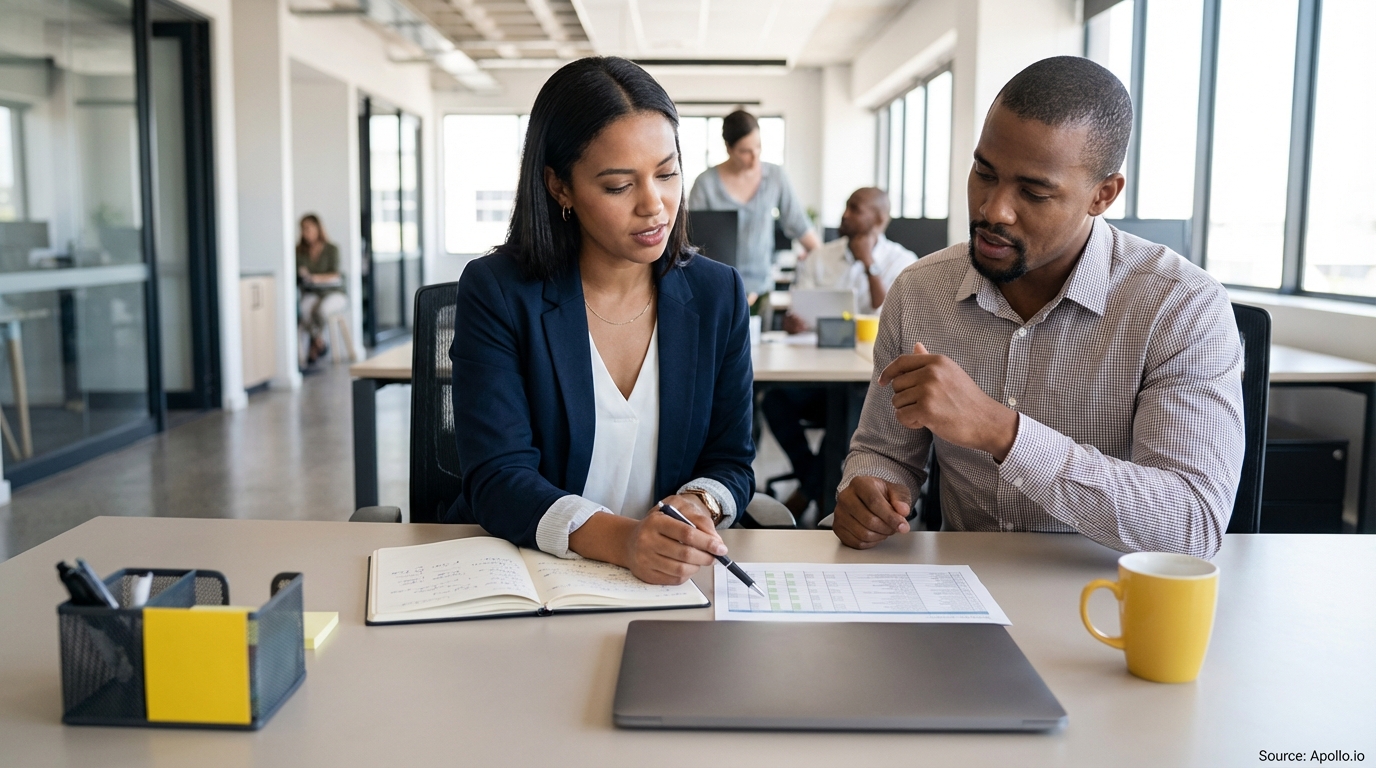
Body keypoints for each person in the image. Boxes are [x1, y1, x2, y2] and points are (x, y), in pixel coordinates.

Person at [832, 56, 1244, 560]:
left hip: (1110, 596)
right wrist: (869, 490)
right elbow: (884, 452)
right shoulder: (921, 291)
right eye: (984, 173)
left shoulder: (1180, 306)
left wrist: (1000, 431)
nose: (993, 210)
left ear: (1102, 195)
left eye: (1033, 192)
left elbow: (1191, 523)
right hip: (961, 593)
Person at [445, 57, 755, 586]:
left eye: (667, 172)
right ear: (560, 188)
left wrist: (699, 501)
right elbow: (499, 477)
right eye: (618, 186)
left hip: (665, 584)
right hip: (528, 578)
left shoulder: (716, 293)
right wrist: (626, 540)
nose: (655, 206)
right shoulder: (498, 292)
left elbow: (732, 458)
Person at [762, 187, 918, 516]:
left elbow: (887, 313)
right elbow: (799, 308)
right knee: (775, 400)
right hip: (818, 371)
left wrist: (868, 264)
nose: (845, 214)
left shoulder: (904, 264)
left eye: (855, 208)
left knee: (849, 413)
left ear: (878, 219)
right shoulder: (820, 257)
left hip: (872, 384)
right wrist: (794, 322)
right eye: (846, 206)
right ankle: (814, 483)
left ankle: (810, 492)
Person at [688, 110, 820, 297]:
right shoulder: (705, 183)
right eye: (745, 151)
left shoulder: (775, 176)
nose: (755, 156)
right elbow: (692, 241)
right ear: (728, 148)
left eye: (758, 146)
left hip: (761, 288)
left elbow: (798, 223)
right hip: (717, 287)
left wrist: (824, 259)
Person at [295, 214, 345, 365]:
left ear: (318, 228)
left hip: (334, 292)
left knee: (322, 310)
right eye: (303, 229)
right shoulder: (299, 252)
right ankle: (319, 342)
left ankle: (315, 346)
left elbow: (336, 274)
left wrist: (315, 278)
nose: (305, 233)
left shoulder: (331, 249)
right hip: (313, 292)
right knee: (304, 309)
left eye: (308, 228)